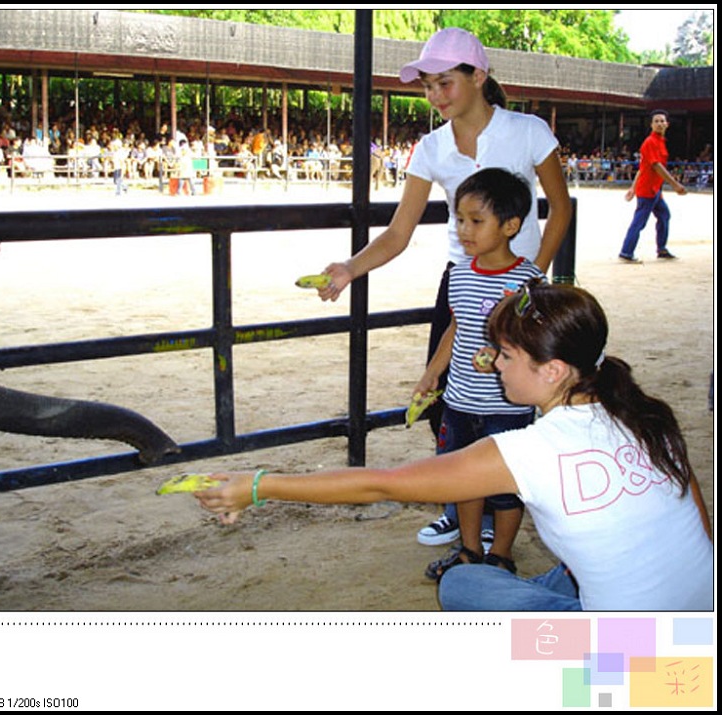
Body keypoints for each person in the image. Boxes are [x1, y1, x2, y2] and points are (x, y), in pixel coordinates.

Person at [195, 281, 713, 611]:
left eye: (506, 354)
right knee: (583, 562)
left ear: (553, 370)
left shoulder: (529, 451)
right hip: (697, 629)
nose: (493, 361)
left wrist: (259, 486)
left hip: (627, 668)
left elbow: (383, 483)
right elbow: (702, 532)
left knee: (465, 586)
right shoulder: (649, 417)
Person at [316, 27, 572, 547]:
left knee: (526, 396)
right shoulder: (431, 147)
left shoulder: (527, 131)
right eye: (428, 86)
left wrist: (531, 282)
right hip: (464, 281)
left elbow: (560, 206)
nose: (435, 96)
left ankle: (517, 499)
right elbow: (398, 232)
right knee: (447, 396)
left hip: (523, 287)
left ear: (478, 77)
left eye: (444, 83)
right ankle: (463, 505)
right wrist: (349, 268)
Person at [414, 168, 545, 580]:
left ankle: (501, 554)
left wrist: (502, 353)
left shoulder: (528, 281)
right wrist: (433, 373)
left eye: (476, 220)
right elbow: (457, 327)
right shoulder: (459, 274)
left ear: (510, 225)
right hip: (459, 402)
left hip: (506, 406)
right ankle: (469, 550)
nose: (464, 229)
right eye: (459, 219)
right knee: (462, 479)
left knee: (506, 487)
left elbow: (536, 342)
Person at [618, 109, 687, 263]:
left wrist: (632, 188)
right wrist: (675, 185)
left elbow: (643, 168)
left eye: (662, 121)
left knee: (664, 215)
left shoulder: (660, 142)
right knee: (640, 221)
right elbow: (656, 166)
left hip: (654, 189)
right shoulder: (650, 142)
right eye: (656, 121)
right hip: (648, 190)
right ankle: (626, 252)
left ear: (667, 124)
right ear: (651, 125)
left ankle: (661, 248)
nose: (659, 123)